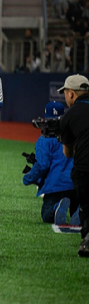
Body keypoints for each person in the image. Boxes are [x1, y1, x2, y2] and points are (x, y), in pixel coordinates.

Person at [23, 102, 78, 225]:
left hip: (55, 186)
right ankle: (78, 212)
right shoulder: (73, 134)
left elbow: (43, 165)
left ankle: (55, 208)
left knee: (46, 215)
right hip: (75, 184)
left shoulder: (44, 140)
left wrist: (28, 178)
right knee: (76, 206)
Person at [59, 74, 89, 257]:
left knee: (87, 205)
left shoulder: (69, 115)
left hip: (85, 168)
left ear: (71, 94)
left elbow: (68, 153)